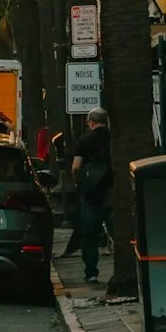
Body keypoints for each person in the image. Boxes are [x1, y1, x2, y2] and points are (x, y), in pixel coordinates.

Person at [72, 107, 114, 284]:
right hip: (111, 190)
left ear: (92, 122)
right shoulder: (113, 139)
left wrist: (79, 182)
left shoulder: (85, 141)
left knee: (89, 234)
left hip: (90, 193)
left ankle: (91, 272)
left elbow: (75, 166)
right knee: (116, 230)